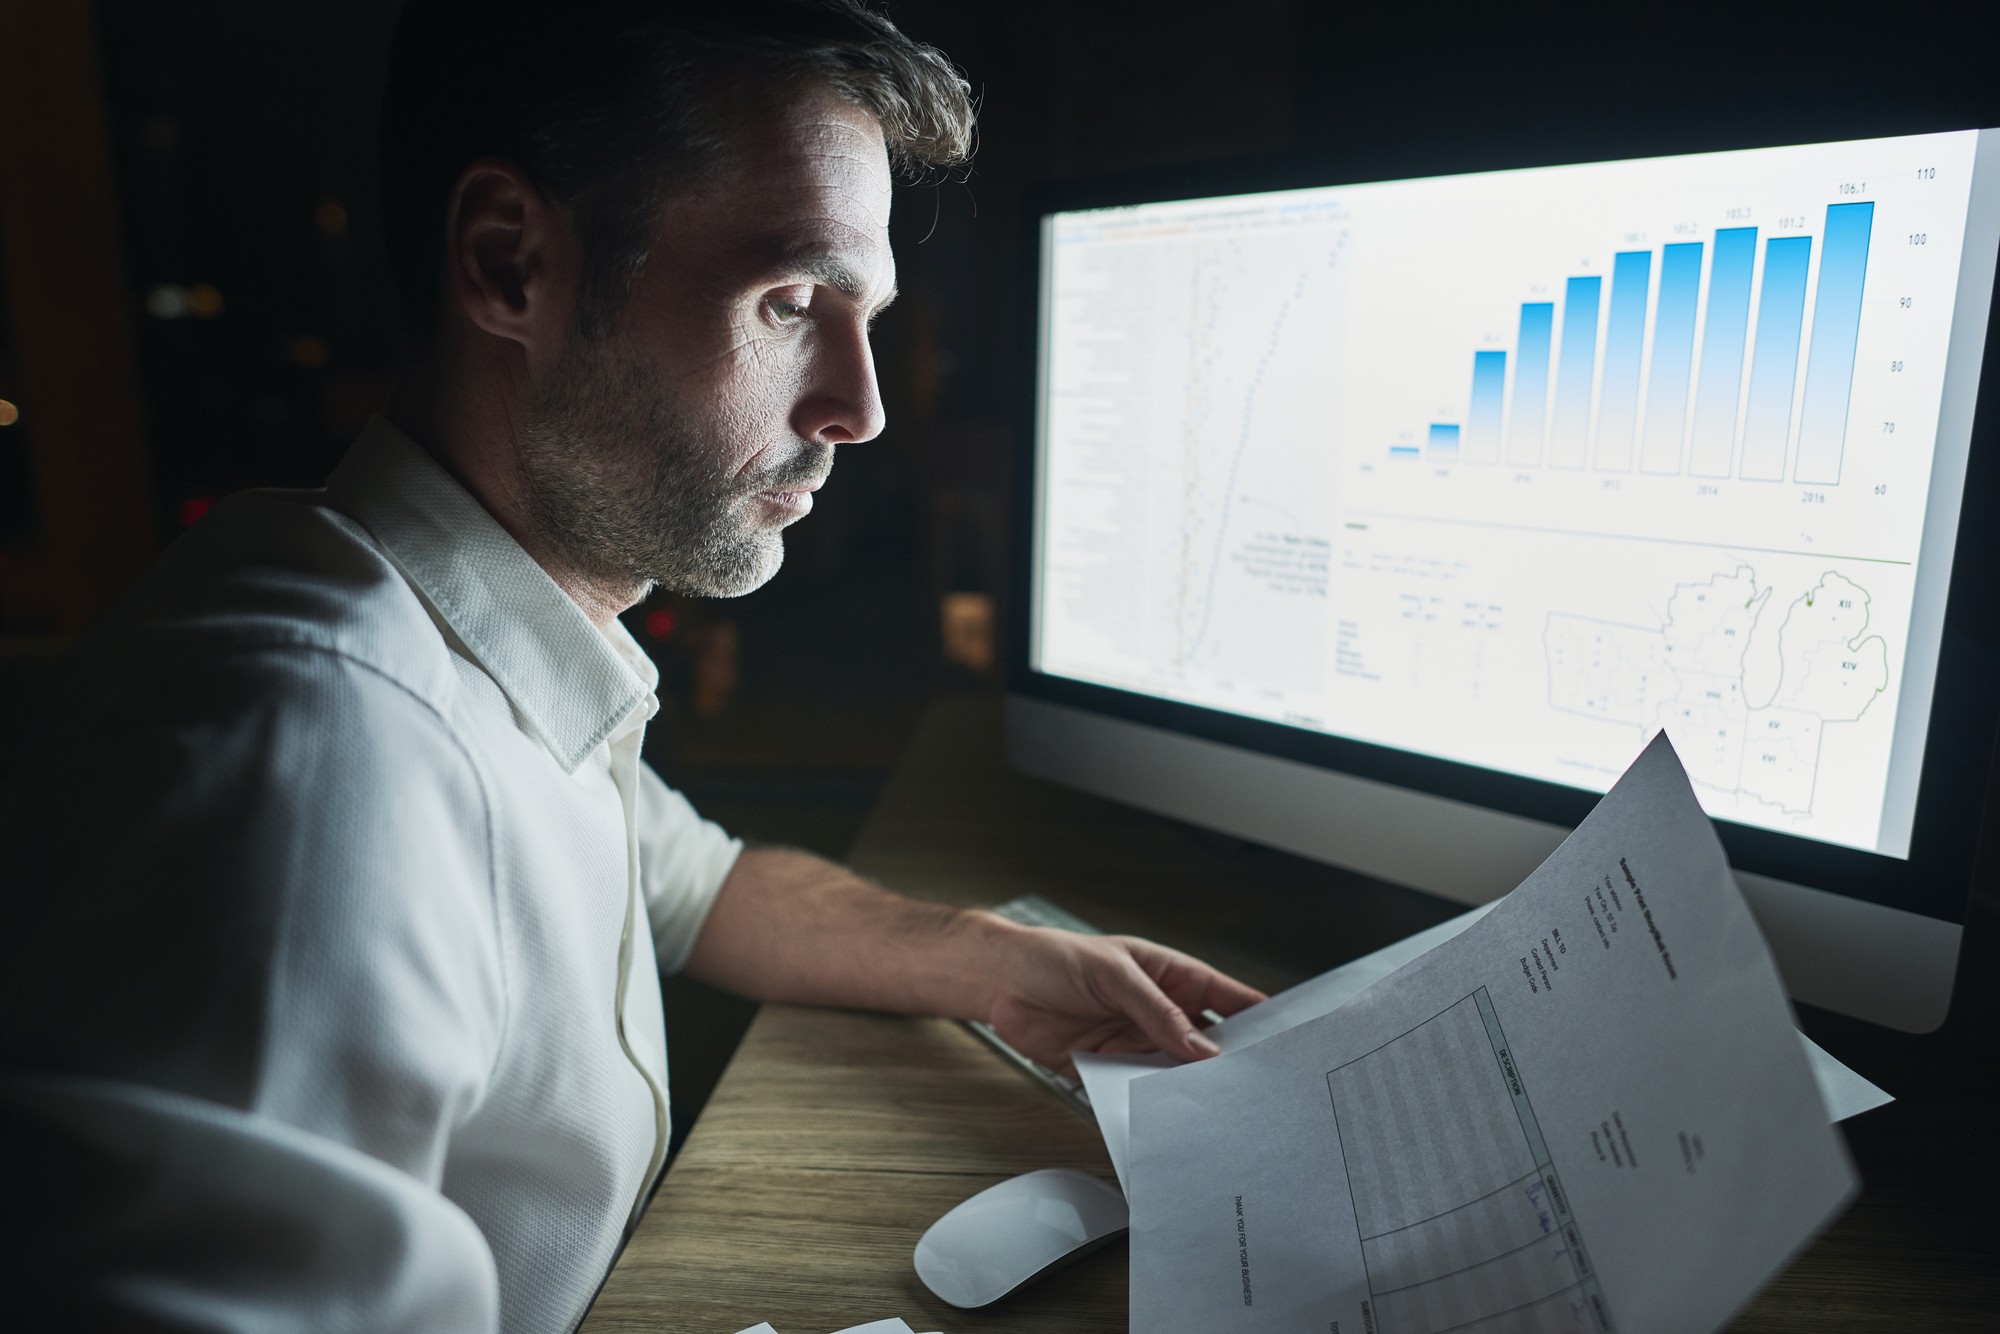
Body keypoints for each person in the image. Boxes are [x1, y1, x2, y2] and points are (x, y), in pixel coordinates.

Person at [0, 2, 1265, 1329]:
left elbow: (688, 882)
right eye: (789, 302)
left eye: (866, 313)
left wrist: (993, 963)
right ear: (509, 265)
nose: (861, 405)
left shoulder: (477, 634)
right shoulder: (313, 761)